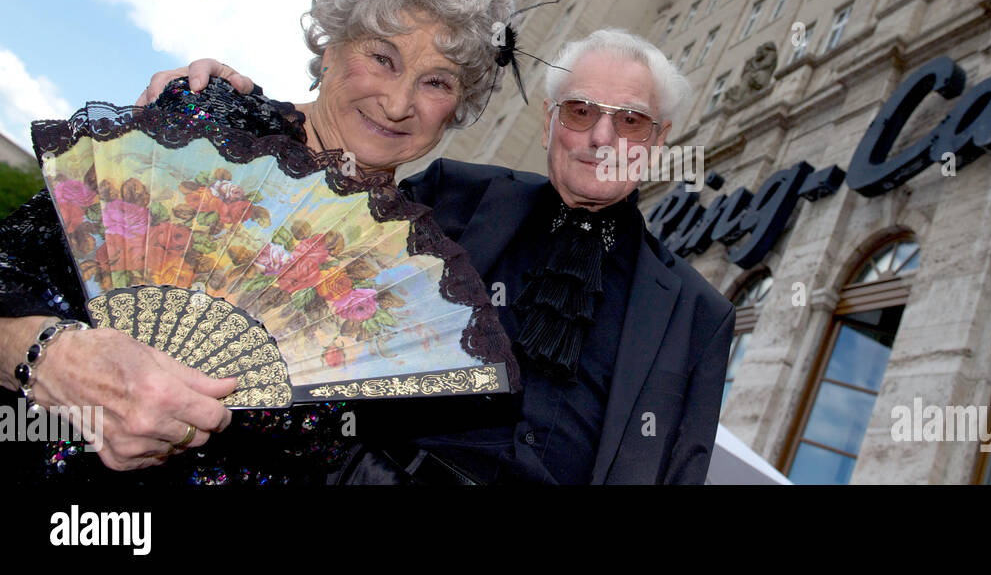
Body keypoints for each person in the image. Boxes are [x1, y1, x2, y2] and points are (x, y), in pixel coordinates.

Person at [0, 0, 515, 484]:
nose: (397, 103)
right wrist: (49, 357)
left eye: (436, 82)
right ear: (330, 47)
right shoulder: (208, 131)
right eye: (382, 58)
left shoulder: (404, 272)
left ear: (458, 106)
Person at [154, 29, 736, 484]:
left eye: (630, 120)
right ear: (549, 124)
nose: (602, 138)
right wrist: (231, 110)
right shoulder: (455, 195)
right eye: (581, 111)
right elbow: (312, 224)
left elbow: (678, 471)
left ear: (657, 142)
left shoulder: (699, 314)